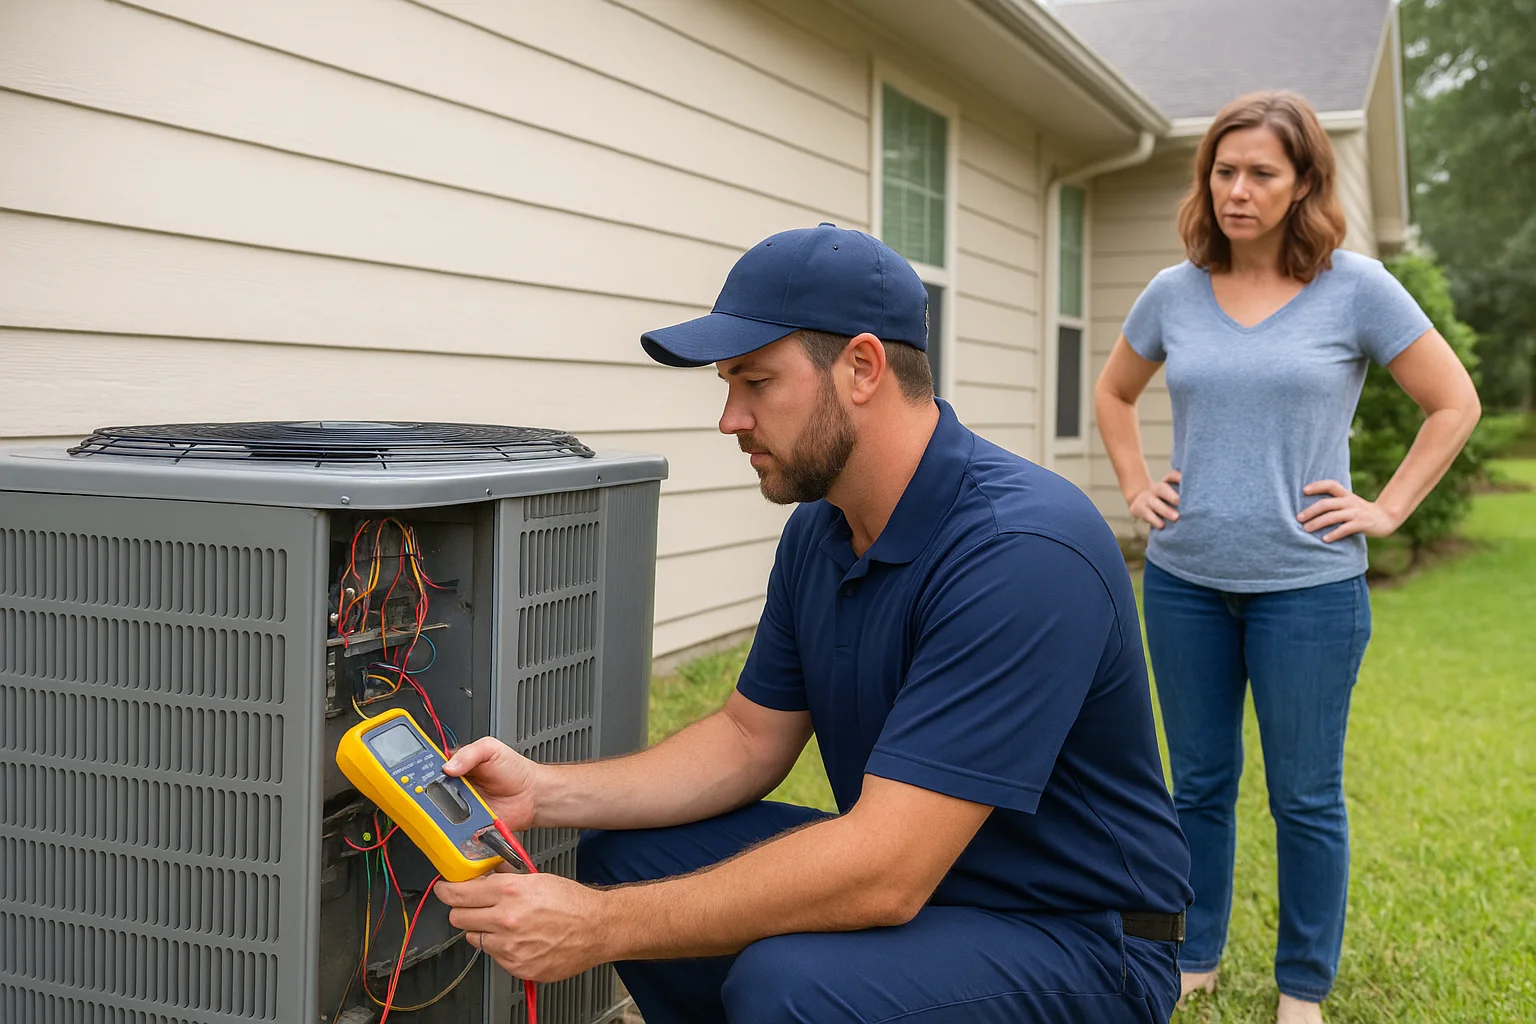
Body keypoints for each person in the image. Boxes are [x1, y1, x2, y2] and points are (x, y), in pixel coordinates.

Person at [435, 222, 1193, 1024]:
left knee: (789, 984)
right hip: (942, 895)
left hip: (1080, 939)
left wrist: (599, 928)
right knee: (628, 857)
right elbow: (748, 737)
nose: (730, 418)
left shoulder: (1024, 549)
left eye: (756, 382)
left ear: (862, 368)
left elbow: (886, 871)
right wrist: (544, 793)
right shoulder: (824, 529)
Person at [1094, 92, 1481, 1024]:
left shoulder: (1358, 289)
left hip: (1308, 590)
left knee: (1305, 797)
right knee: (1197, 786)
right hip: (1185, 581)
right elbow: (1114, 394)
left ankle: (1303, 983)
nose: (1237, 189)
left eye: (1261, 172)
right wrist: (1138, 486)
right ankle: (1194, 951)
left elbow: (1453, 402)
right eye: (1223, 171)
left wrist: (1386, 507)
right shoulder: (1174, 290)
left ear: (1305, 180)